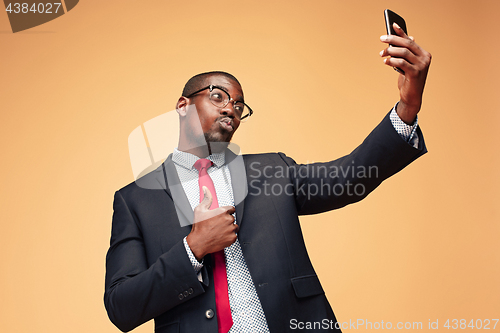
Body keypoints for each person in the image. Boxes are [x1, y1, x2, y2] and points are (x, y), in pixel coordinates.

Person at [104, 23, 431, 333]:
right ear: (182, 106)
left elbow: (349, 176)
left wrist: (408, 105)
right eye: (218, 96)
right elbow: (122, 306)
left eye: (239, 105)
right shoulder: (136, 200)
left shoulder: (272, 170)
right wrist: (193, 248)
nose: (231, 109)